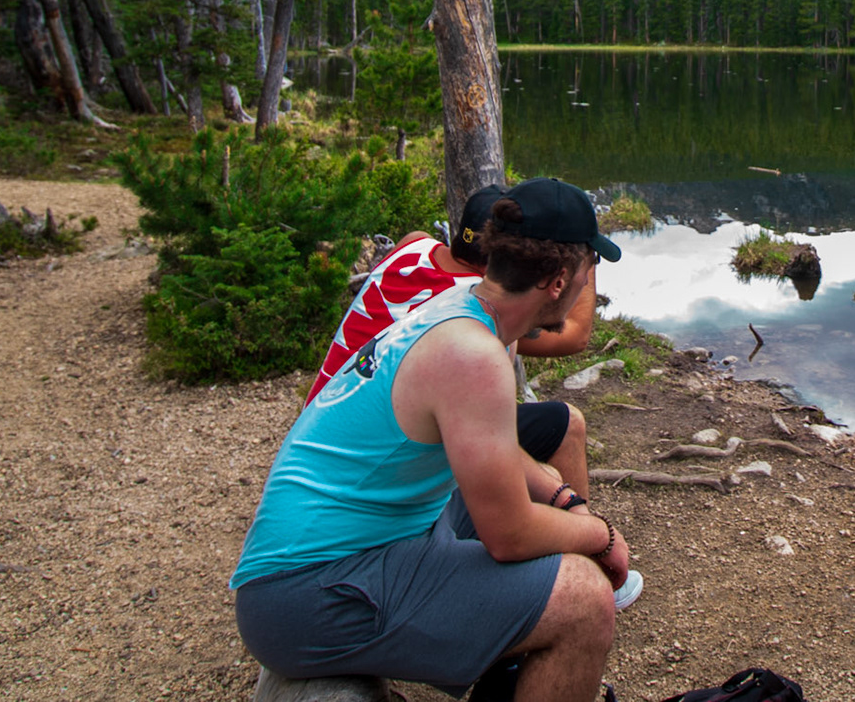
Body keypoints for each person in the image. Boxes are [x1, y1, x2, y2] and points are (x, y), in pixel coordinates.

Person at [233, 178, 633, 700]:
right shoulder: (471, 355)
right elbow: (508, 535)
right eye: (587, 268)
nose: (587, 284)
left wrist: (562, 498)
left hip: (344, 549)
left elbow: (491, 447)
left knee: (547, 487)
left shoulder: (462, 307)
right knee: (584, 599)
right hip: (305, 592)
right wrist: (599, 535)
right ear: (559, 280)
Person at [307, 183, 604, 508]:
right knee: (565, 425)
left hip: (321, 428)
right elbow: (576, 336)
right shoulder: (477, 314)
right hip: (374, 465)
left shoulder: (413, 245)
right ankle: (577, 537)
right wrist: (582, 255)